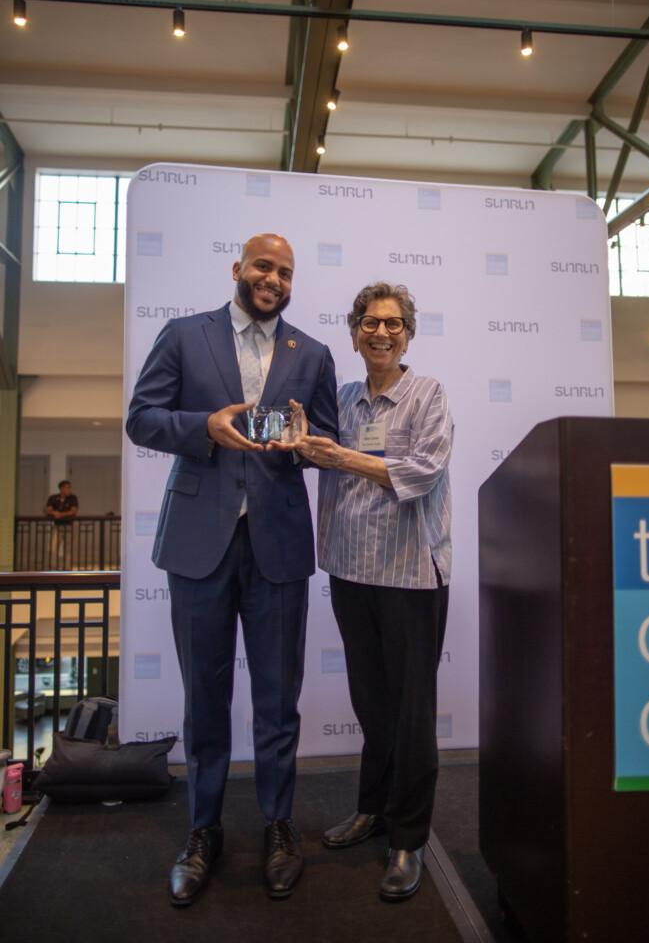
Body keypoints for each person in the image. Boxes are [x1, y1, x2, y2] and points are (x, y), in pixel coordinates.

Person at [126, 233, 338, 905]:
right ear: (238, 269)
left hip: (276, 545)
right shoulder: (185, 335)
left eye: (284, 271)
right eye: (262, 266)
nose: (272, 277)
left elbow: (323, 444)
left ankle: (278, 826)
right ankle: (203, 831)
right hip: (198, 545)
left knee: (277, 703)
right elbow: (142, 418)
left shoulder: (314, 353)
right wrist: (201, 427)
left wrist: (307, 444)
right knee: (204, 701)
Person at [295, 282, 452, 901]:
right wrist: (304, 443)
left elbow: (421, 470)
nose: (380, 333)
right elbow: (318, 457)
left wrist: (342, 458)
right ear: (355, 332)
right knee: (371, 704)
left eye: (392, 323)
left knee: (411, 714)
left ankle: (409, 838)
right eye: (369, 323)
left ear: (408, 332)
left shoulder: (429, 394)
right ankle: (373, 809)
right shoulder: (342, 398)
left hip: (411, 575)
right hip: (349, 571)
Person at [45, 480, 79, 569]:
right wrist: (54, 513)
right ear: (62, 488)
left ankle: (67, 568)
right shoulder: (53, 498)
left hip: (70, 526)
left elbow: (73, 511)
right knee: (53, 547)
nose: (69, 489)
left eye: (69, 487)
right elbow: (48, 510)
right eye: (67, 487)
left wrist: (60, 514)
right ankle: (53, 568)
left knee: (69, 549)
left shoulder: (73, 498)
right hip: (57, 526)